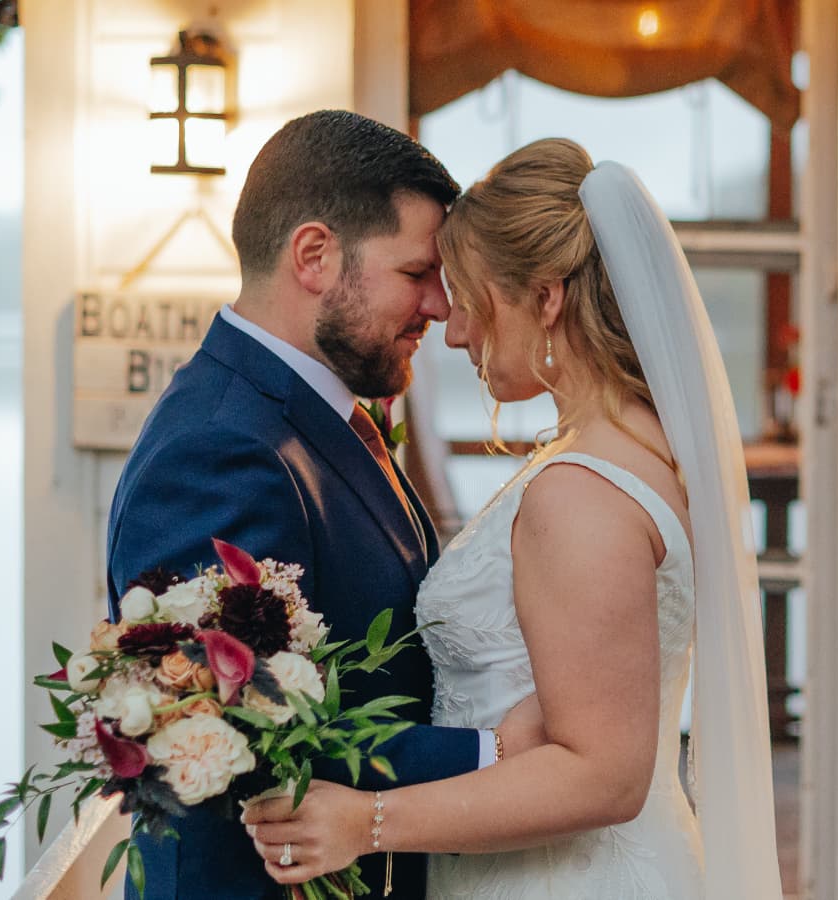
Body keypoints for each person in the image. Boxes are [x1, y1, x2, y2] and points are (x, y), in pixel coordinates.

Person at [241, 139, 784, 898]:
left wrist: (365, 820)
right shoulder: (644, 447)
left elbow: (602, 777)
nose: (454, 330)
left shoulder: (582, 491)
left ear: (547, 297)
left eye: (470, 297)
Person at [105, 110, 542, 900]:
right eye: (417, 274)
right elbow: (239, 733)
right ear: (314, 255)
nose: (441, 309)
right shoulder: (218, 449)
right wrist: (498, 753)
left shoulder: (317, 412)